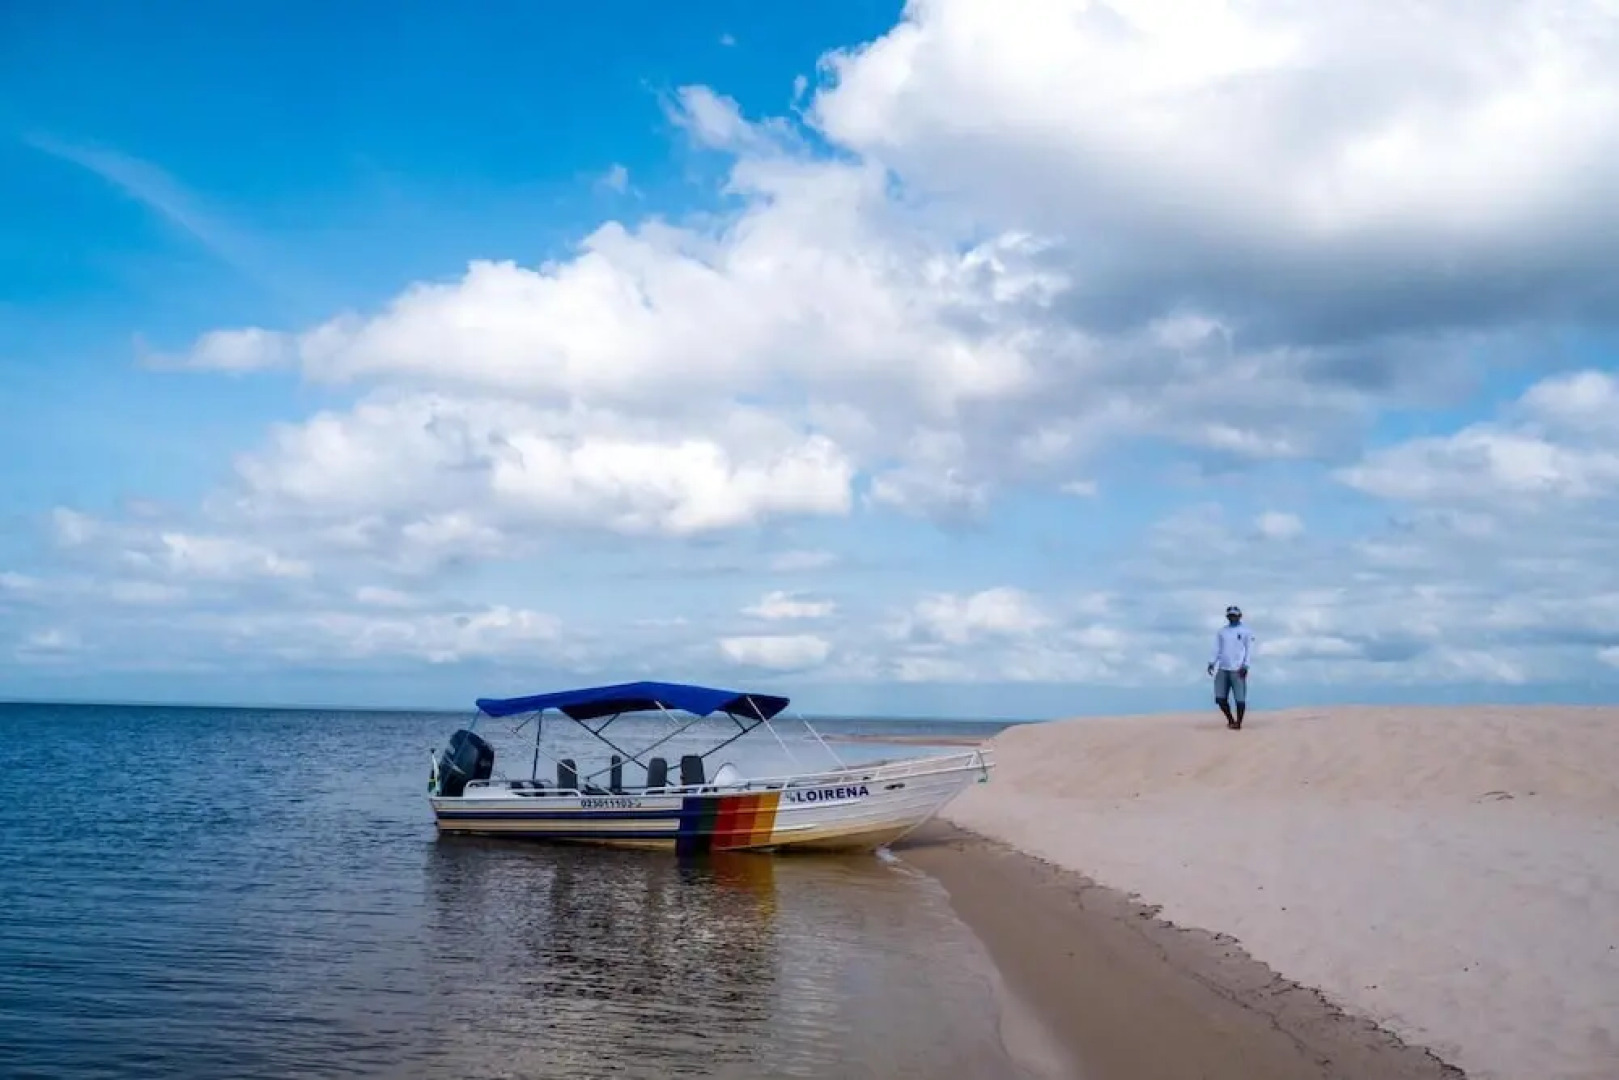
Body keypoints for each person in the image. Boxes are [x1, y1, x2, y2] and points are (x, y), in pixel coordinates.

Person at [1206, 604, 1253, 729]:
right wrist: (1212, 662)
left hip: (1238, 668)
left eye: (1235, 615)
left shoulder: (1246, 632)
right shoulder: (1222, 632)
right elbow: (1217, 648)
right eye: (1230, 615)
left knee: (1240, 698)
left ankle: (1239, 722)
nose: (1232, 617)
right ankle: (1230, 720)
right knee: (1220, 698)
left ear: (1239, 616)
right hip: (1223, 668)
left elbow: (1249, 649)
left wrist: (1246, 665)